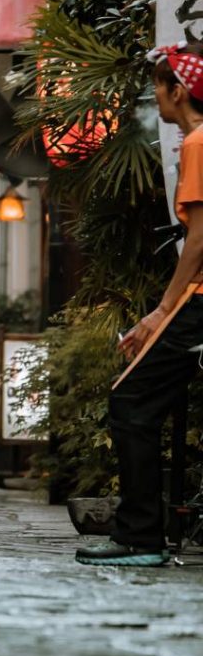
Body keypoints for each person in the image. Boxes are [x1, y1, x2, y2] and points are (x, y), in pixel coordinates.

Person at [77, 41, 203, 567]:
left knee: (131, 400)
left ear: (179, 90)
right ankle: (144, 534)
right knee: (140, 400)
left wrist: (158, 313)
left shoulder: (198, 143)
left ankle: (140, 537)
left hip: (199, 305)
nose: (156, 96)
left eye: (159, 84)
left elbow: (198, 241)